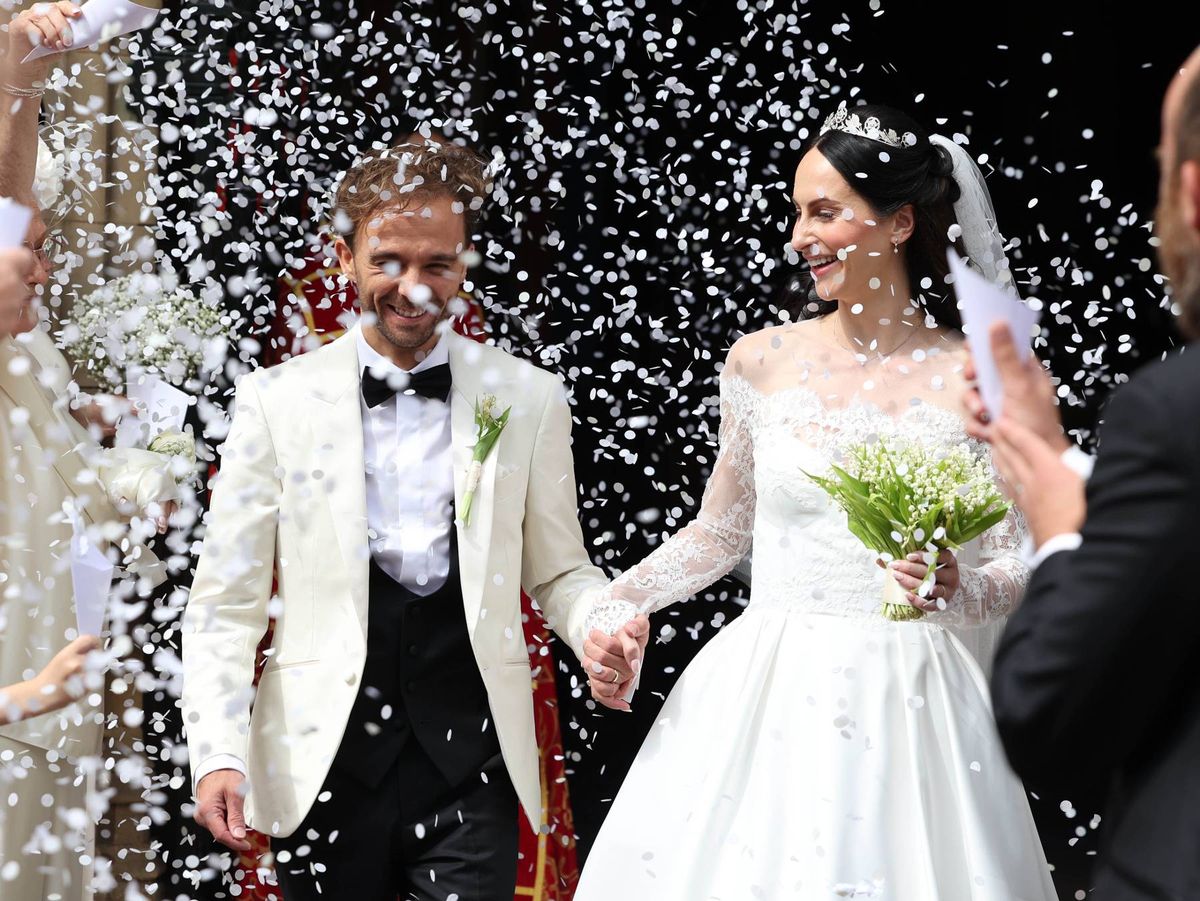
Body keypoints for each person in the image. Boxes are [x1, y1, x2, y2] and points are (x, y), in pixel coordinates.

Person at [573, 104, 1057, 900]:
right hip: (767, 692)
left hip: (917, 704)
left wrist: (960, 587)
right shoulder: (759, 362)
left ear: (899, 223)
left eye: (825, 212)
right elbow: (718, 531)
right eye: (798, 212)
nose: (800, 235)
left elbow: (1022, 554)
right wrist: (615, 605)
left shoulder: (980, 373)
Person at [181, 139, 648, 900]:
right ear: (344, 257)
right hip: (322, 760)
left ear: (465, 264)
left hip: (473, 768)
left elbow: (560, 569)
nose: (414, 287)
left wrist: (601, 620)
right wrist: (216, 752)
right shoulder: (274, 401)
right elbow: (224, 606)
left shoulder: (527, 397)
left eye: (439, 265)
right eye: (389, 260)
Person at [972, 45, 1200, 901]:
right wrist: (1058, 451)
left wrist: (1062, 530)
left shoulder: (1173, 411)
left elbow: (1051, 718)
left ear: (1193, 194)